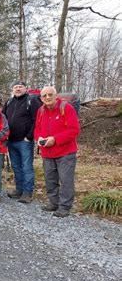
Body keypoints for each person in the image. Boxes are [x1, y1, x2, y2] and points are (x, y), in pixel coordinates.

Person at [34, 86, 80, 218]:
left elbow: (74, 130)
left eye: (50, 95)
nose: (47, 98)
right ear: (41, 98)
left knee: (66, 180)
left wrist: (55, 139)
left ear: (56, 96)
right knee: (50, 179)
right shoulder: (41, 110)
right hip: (47, 152)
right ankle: (53, 202)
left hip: (65, 152)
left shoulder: (66, 108)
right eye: (44, 96)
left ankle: (65, 206)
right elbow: (37, 128)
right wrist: (39, 138)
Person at [2, 81, 41, 203]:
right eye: (15, 87)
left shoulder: (31, 101)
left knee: (27, 167)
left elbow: (37, 120)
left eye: (20, 87)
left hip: (24, 141)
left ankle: (27, 192)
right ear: (12, 89)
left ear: (25, 89)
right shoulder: (9, 102)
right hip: (11, 140)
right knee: (16, 167)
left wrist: (29, 137)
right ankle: (19, 189)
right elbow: (2, 118)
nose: (18, 89)